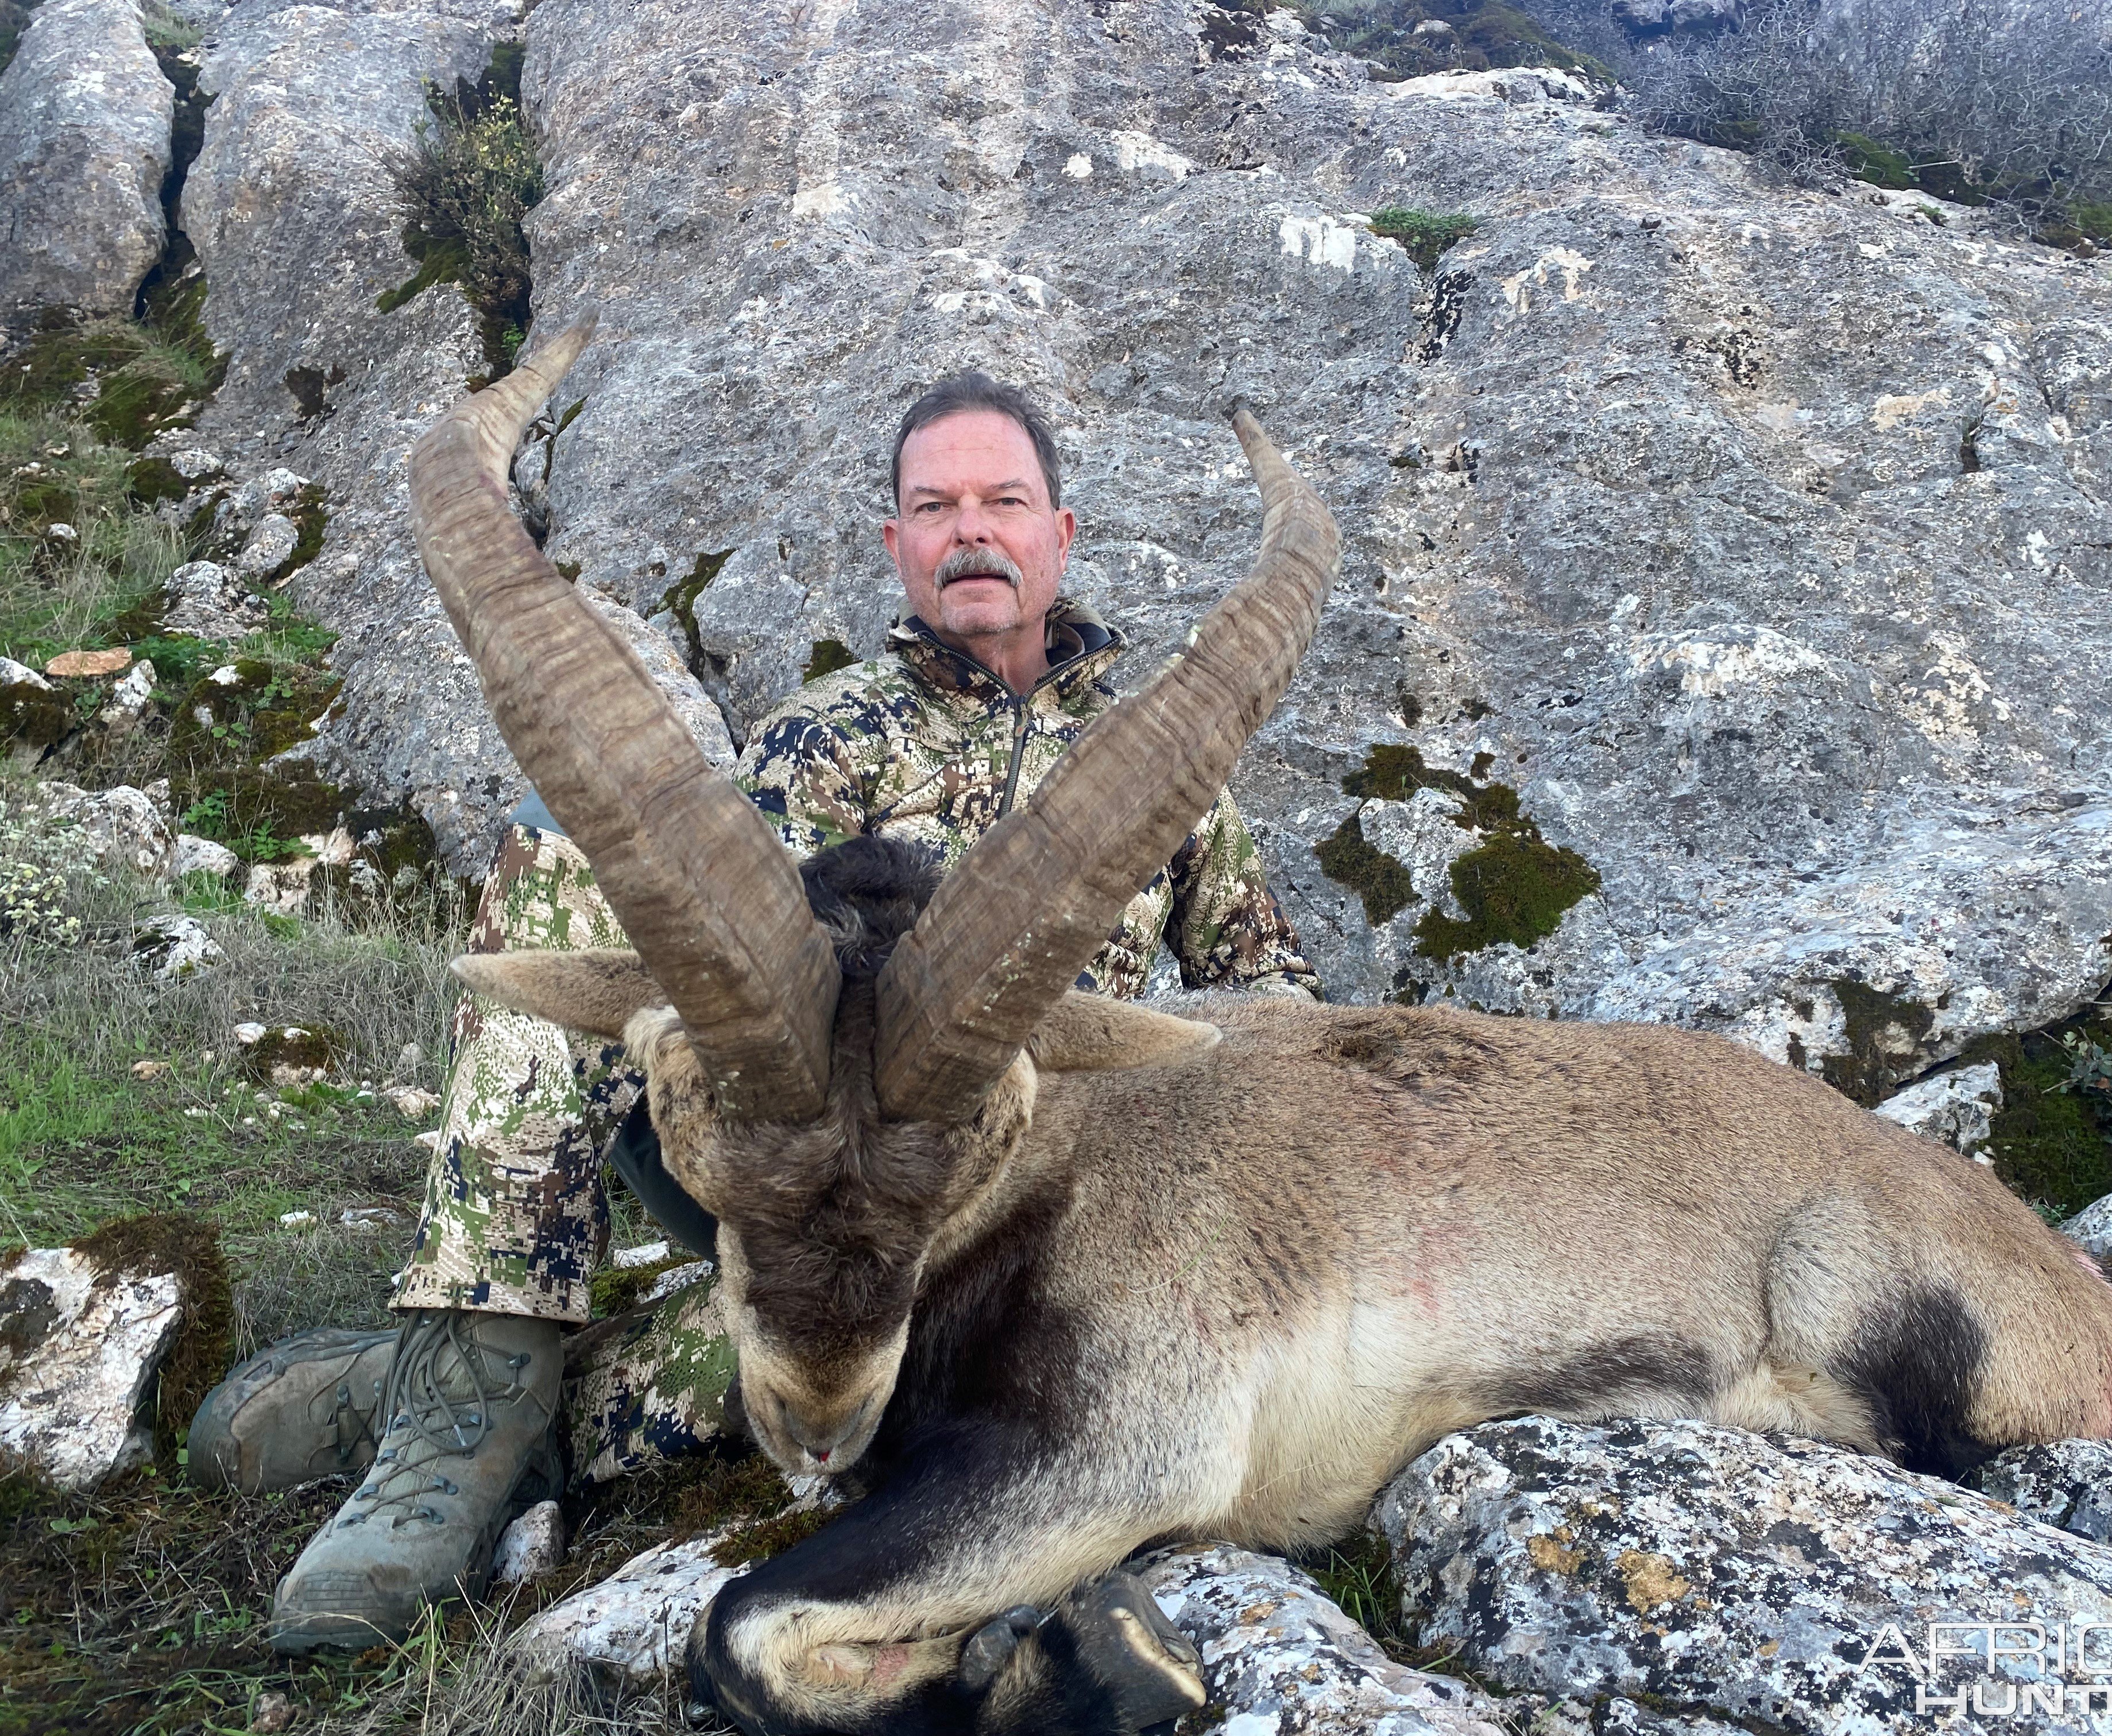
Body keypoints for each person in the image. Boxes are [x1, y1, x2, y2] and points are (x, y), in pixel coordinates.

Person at [184, 372, 1323, 1653]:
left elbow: (1266, 1005)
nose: (971, 530)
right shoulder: (819, 745)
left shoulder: (1167, 782)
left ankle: (418, 1402)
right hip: (797, 1197)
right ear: (896, 544)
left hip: (1028, 1217)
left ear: (1063, 532)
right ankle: (476, 1369)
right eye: (933, 506)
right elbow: (729, 985)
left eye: (1004, 501)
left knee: (767, 1396)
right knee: (574, 854)